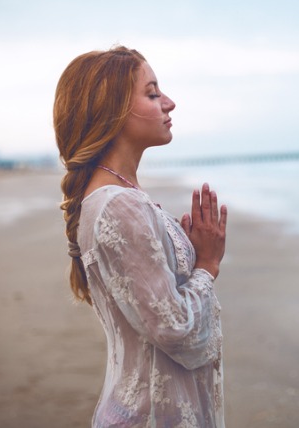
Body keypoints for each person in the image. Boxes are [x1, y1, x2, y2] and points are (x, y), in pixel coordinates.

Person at [53, 46, 228, 427]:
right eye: (152, 94)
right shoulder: (119, 206)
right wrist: (207, 264)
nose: (169, 103)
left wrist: (181, 255)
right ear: (111, 111)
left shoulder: (120, 198)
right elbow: (176, 328)